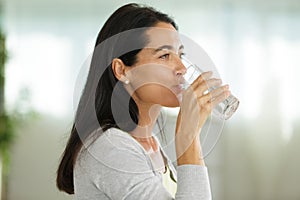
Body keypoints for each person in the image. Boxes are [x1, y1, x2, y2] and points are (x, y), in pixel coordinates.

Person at [56, 3, 230, 200]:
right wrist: (188, 138)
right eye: (164, 55)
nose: (182, 67)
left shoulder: (149, 143)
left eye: (180, 55)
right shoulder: (111, 147)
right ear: (122, 70)